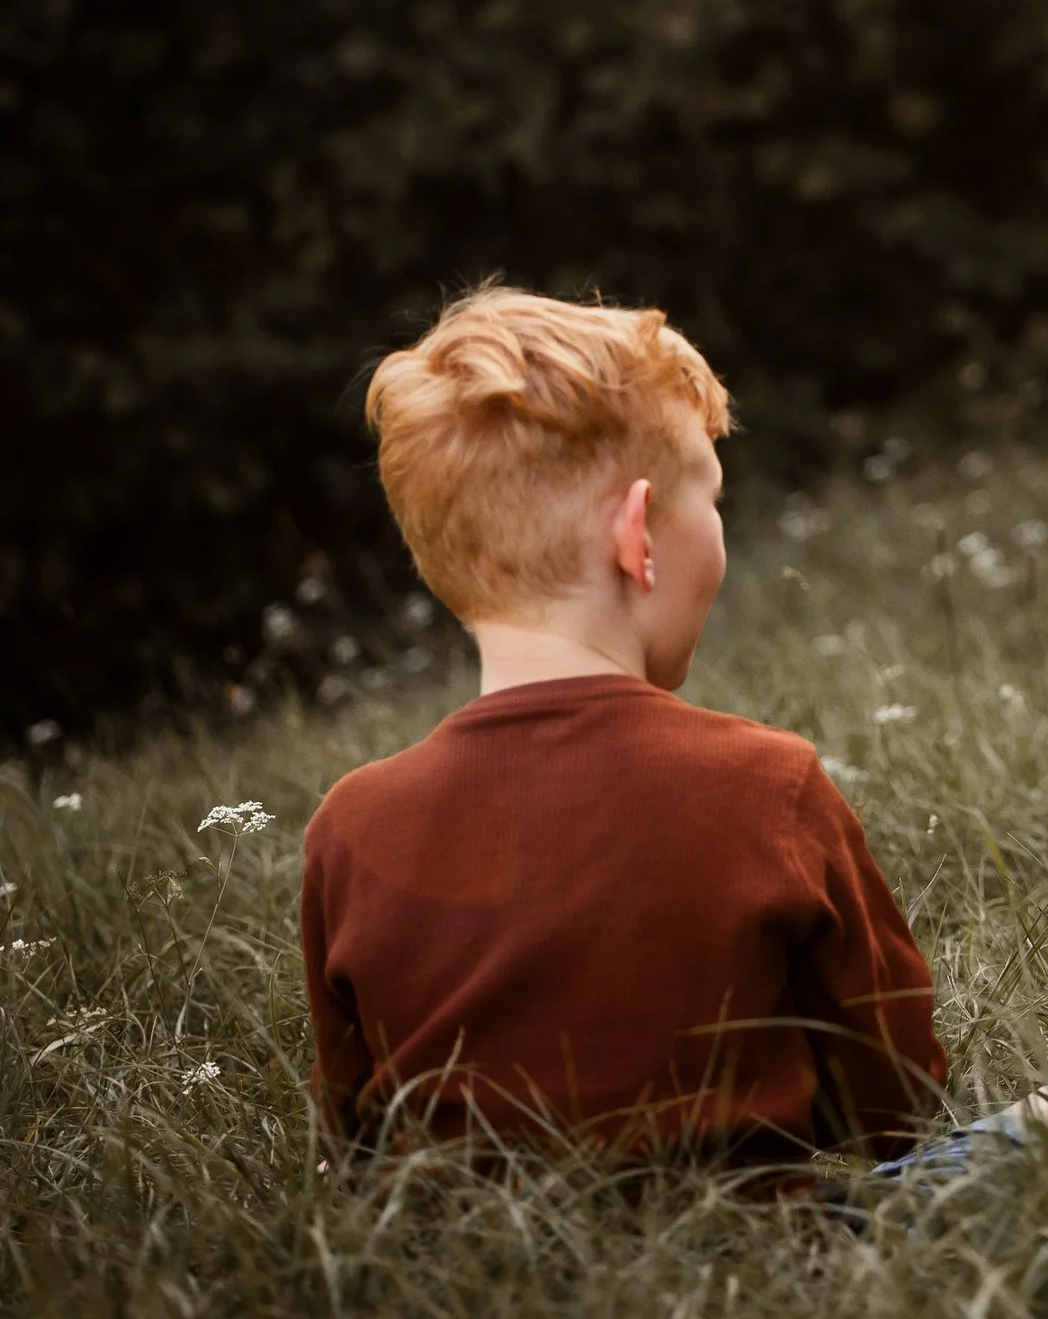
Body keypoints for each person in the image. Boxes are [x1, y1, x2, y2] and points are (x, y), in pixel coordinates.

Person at [301, 284, 946, 1172]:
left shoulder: (349, 825)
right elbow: (895, 1102)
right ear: (638, 535)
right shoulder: (768, 782)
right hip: (772, 1253)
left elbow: (354, 1144)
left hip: (476, 1277)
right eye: (711, 499)